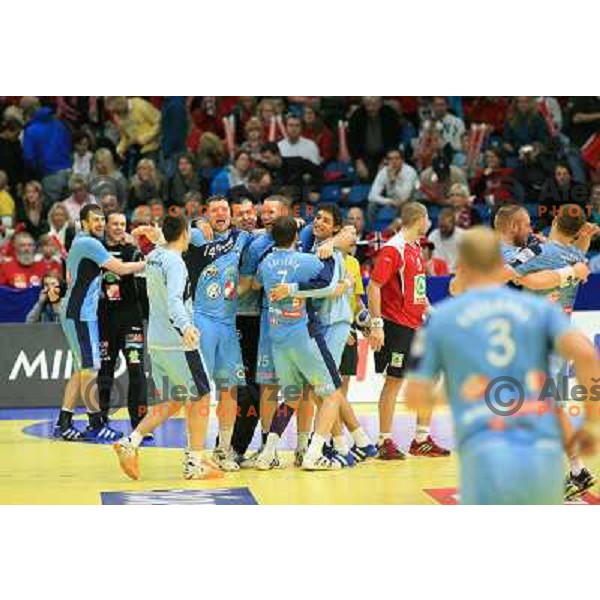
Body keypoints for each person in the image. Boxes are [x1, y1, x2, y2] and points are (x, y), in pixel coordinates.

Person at [405, 227, 600, 504]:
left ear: (462, 265)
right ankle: (577, 468)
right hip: (540, 455)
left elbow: (415, 396)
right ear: (500, 263)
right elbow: (587, 356)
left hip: (485, 455)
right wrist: (591, 424)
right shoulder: (539, 309)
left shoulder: (440, 320)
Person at [113, 214, 221, 481]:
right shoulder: (175, 263)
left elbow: (162, 247)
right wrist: (186, 327)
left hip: (157, 340)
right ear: (184, 233)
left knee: (175, 400)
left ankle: (131, 442)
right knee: (202, 395)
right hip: (178, 342)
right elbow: (174, 301)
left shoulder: (155, 256)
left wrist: (157, 236)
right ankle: (195, 462)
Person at [507, 205, 600, 499]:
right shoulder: (576, 255)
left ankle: (563, 471)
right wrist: (583, 239)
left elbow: (510, 273)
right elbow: (574, 251)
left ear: (555, 220)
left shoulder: (542, 253)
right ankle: (572, 469)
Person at [252, 215, 353, 470]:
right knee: (331, 394)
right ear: (296, 237)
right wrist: (330, 250)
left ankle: (268, 453)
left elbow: (256, 283)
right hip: (303, 336)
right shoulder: (306, 261)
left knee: (292, 396)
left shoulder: (266, 262)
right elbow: (327, 282)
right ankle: (313, 453)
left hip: (278, 339)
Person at [53, 204, 145, 442]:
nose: (101, 224)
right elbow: (121, 268)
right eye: (95, 220)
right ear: (83, 222)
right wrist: (151, 261)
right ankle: (95, 423)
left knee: (81, 370)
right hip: (81, 314)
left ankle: (64, 422)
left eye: (102, 220)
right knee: (90, 370)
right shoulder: (89, 243)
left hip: (79, 312)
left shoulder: (85, 241)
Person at [367, 202, 450, 459]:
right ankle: (384, 442)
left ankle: (421, 439)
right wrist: (377, 324)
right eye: (427, 219)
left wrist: (433, 313)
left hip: (416, 323)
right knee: (394, 382)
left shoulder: (415, 247)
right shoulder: (395, 248)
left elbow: (418, 290)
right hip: (396, 325)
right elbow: (374, 286)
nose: (429, 223)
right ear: (419, 219)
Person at [184, 196, 254, 471]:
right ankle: (192, 454)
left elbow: (269, 234)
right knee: (199, 391)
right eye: (214, 210)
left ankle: (223, 451)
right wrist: (195, 222)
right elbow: (172, 232)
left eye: (225, 209)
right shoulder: (197, 236)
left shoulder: (240, 238)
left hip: (227, 324)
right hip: (201, 320)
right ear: (207, 215)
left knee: (230, 389)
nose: (220, 213)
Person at [97, 211, 148, 432]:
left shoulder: (132, 251)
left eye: (122, 224)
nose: (119, 227)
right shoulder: (96, 250)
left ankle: (140, 424)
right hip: (106, 320)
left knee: (136, 370)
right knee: (105, 369)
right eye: (114, 224)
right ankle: (100, 420)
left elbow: (145, 283)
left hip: (131, 319)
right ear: (106, 226)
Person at [21, 97, 72, 205]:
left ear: (27, 112)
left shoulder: (30, 130)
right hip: (68, 171)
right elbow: (68, 143)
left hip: (50, 175)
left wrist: (37, 169)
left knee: (51, 212)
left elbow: (28, 157)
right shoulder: (59, 124)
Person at [348, 97, 402, 181]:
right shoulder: (357, 116)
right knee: (363, 176)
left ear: (380, 103)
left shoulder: (390, 114)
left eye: (373, 105)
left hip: (386, 154)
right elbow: (352, 141)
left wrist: (386, 159)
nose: (370, 108)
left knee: (387, 175)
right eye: (367, 105)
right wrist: (358, 161)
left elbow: (394, 140)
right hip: (364, 156)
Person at [367, 148, 418, 223]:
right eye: (390, 159)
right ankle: (373, 230)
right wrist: (389, 201)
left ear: (402, 160)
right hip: (391, 201)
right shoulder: (384, 172)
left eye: (397, 158)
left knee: (404, 206)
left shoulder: (410, 172)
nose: (394, 162)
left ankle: (398, 230)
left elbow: (403, 198)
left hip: (409, 201)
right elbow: (371, 196)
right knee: (371, 206)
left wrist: (393, 181)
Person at [427, 207, 464, 272]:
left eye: (446, 227)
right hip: (438, 274)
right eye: (441, 227)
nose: (442, 230)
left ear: (453, 224)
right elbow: (428, 258)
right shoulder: (432, 236)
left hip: (457, 273)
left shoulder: (463, 236)